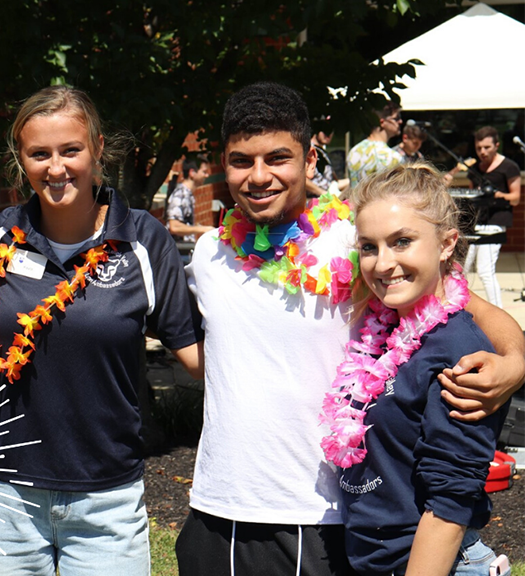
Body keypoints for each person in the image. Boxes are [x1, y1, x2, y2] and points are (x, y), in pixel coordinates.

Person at [177, 81, 525, 576]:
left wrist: (515, 361)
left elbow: (470, 308)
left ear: (310, 157)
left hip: (323, 515)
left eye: (278, 158)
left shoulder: (359, 243)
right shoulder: (210, 254)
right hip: (217, 509)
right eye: (240, 160)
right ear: (222, 163)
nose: (259, 177)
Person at [0, 85, 201, 576]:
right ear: (21, 159)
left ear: (97, 147)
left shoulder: (142, 240)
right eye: (39, 154)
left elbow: (196, 357)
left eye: (70, 150)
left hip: (107, 501)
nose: (56, 168)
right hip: (7, 497)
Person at [324, 163, 508, 576]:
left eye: (402, 241)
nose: (382, 263)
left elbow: (450, 503)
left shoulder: (459, 351)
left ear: (447, 244)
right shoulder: (386, 327)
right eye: (369, 247)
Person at [463, 126, 521, 308]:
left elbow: (515, 198)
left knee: (485, 271)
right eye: (479, 148)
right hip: (476, 222)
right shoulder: (475, 169)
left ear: (497, 145)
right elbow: (472, 196)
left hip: (496, 222)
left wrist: (496, 195)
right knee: (462, 269)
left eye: (487, 147)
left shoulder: (509, 167)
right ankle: (459, 308)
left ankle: (498, 312)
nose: (482, 152)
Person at [347, 102, 404, 190]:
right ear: (382, 122)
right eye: (396, 118)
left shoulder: (354, 151)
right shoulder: (393, 157)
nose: (400, 121)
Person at [166, 156, 215, 241]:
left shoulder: (187, 194)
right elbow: (173, 227)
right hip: (179, 251)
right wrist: (203, 229)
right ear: (192, 173)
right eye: (204, 172)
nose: (207, 175)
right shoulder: (180, 194)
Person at [306, 116, 349, 197]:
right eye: (325, 130)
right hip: (313, 200)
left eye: (331, 131)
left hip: (328, 194)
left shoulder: (323, 152)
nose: (328, 135)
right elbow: (301, 179)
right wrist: (322, 192)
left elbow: (332, 184)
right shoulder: (308, 150)